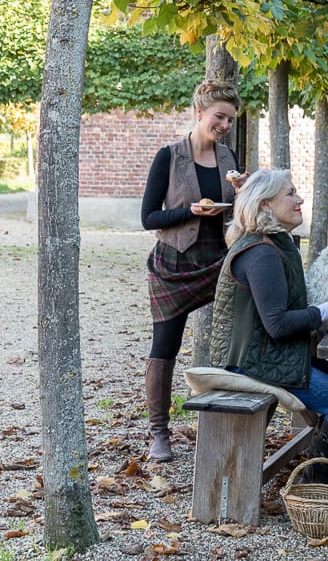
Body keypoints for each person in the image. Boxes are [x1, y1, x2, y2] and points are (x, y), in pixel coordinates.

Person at [207, 168, 328, 502]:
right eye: (290, 193)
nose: (299, 198)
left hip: (273, 353)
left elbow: (290, 308)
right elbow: (276, 325)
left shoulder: (276, 243)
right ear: (265, 205)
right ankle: (312, 485)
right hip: (250, 361)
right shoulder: (260, 253)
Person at [140, 79, 247, 462]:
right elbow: (148, 217)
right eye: (220, 116)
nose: (225, 125)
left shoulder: (229, 159)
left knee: (237, 339)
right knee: (164, 347)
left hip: (218, 261)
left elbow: (238, 209)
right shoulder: (168, 157)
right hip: (173, 264)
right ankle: (158, 432)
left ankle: (231, 421)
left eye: (231, 119)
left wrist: (243, 195)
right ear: (199, 111)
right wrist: (191, 211)